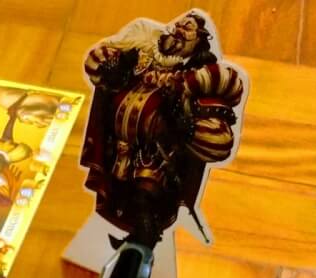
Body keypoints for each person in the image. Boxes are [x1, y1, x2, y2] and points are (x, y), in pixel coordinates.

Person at [80, 10, 244, 245]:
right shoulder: (144, 54)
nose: (179, 29)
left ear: (199, 42)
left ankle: (142, 245)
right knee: (121, 196)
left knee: (143, 199)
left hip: (155, 156)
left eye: (188, 28)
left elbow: (225, 95)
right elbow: (102, 63)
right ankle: (130, 245)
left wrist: (183, 122)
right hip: (119, 149)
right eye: (180, 24)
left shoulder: (193, 75)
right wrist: (115, 68)